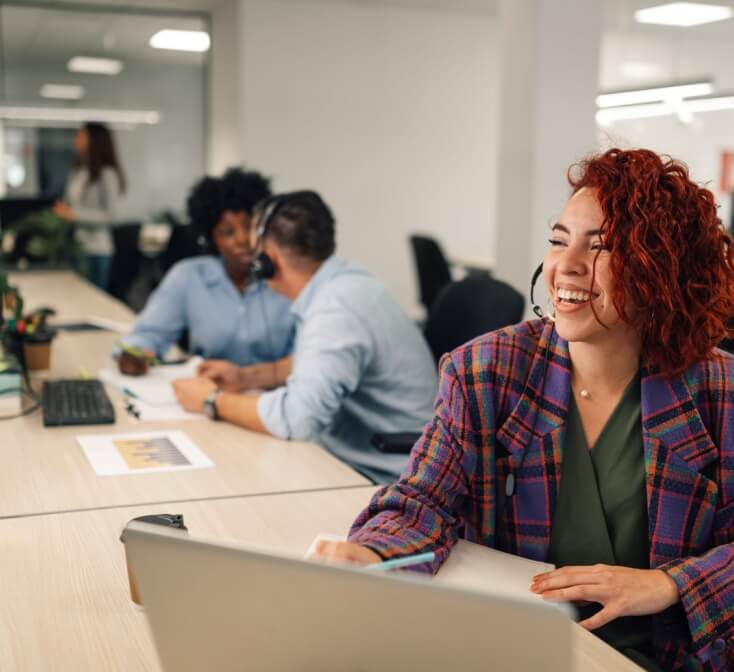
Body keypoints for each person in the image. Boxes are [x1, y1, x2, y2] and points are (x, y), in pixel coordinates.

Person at [312, 149, 734, 671]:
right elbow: (422, 501)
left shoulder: (720, 391)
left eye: (601, 247)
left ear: (661, 269)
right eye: (559, 241)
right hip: (517, 653)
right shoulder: (487, 370)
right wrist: (373, 552)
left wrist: (670, 584)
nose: (566, 266)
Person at [172, 190, 438, 483]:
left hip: (389, 478)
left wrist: (211, 400)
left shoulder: (334, 309)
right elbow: (320, 363)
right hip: (372, 457)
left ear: (267, 260)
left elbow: (297, 420)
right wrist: (246, 377)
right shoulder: (345, 280)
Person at [117, 168, 296, 377]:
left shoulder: (289, 278)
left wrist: (251, 379)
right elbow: (150, 333)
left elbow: (307, 358)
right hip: (206, 392)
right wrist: (135, 353)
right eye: (227, 232)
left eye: (249, 227)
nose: (242, 240)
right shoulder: (189, 275)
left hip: (274, 398)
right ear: (210, 238)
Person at [53, 122, 126, 290]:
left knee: (94, 302)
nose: (75, 140)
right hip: (76, 247)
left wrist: (74, 215)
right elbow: (69, 203)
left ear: (94, 141)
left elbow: (111, 215)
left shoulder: (107, 174)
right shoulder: (78, 172)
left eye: (81, 136)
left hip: (96, 249)